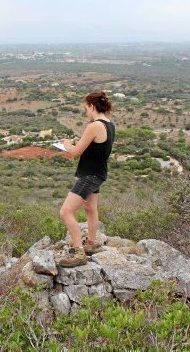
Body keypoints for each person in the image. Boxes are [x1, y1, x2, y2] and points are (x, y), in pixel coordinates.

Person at [58, 91, 115, 267]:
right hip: (99, 174)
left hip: (89, 175)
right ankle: (90, 244)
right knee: (90, 208)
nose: (86, 112)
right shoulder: (109, 124)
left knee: (66, 212)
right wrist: (76, 145)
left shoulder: (94, 126)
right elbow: (94, 149)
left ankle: (78, 252)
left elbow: (75, 153)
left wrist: (66, 144)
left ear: (92, 106)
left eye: (86, 108)